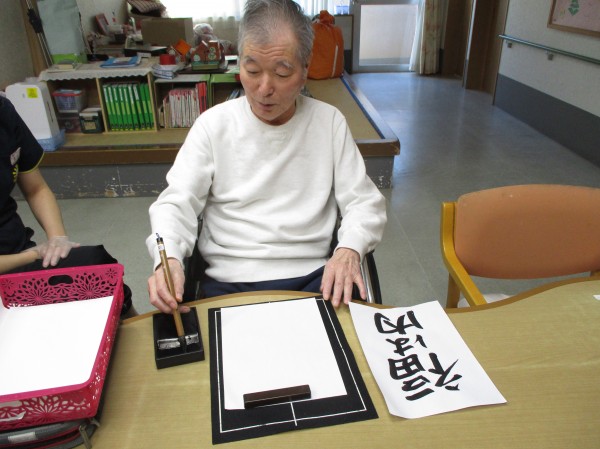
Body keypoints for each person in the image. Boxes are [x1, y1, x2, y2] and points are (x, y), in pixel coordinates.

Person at [147, 0, 386, 313]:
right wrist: (169, 259)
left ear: (305, 69)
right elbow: (176, 203)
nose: (263, 89)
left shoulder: (328, 123)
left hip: (314, 277)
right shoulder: (213, 125)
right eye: (252, 71)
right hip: (227, 280)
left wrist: (349, 250)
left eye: (282, 72)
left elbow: (363, 202)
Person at [0, 94, 134, 316]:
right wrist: (33, 255)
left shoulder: (4, 111)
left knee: (99, 270)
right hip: (16, 262)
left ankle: (137, 331)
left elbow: (36, 189)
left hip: (20, 249)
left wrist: (57, 240)